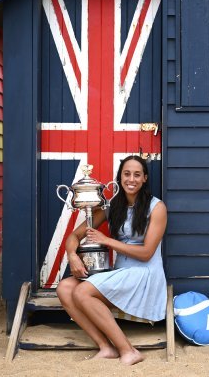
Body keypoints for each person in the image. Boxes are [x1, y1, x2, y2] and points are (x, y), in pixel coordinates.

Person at [56, 155, 167, 365]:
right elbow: (74, 236)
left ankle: (129, 350)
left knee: (83, 291)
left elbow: (147, 253)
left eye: (137, 174)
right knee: (64, 288)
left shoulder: (157, 207)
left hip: (144, 275)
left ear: (144, 178)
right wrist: (72, 256)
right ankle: (106, 347)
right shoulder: (112, 206)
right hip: (120, 274)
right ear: (120, 178)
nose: (131, 179)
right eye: (126, 174)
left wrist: (107, 240)